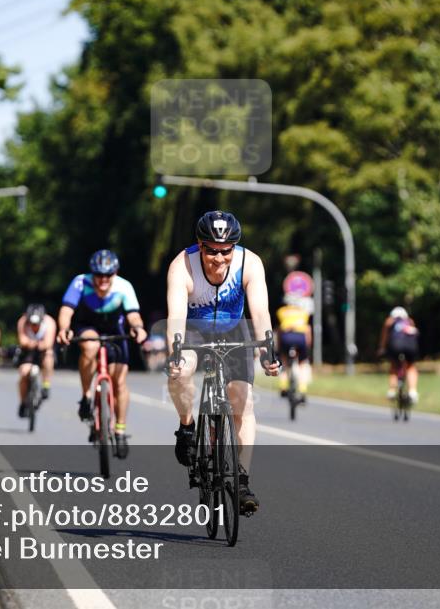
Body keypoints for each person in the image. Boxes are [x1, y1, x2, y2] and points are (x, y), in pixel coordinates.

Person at [166, 211, 281, 515]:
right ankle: (187, 428)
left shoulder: (250, 263)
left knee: (242, 402)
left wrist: (269, 350)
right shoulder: (182, 266)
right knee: (181, 373)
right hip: (193, 331)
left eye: (226, 251)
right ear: (199, 245)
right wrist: (175, 355)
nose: (219, 259)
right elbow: (176, 318)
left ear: (234, 247)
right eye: (211, 251)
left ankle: (241, 480)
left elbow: (260, 313)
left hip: (233, 330)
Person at [56, 250, 148, 458]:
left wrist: (138, 328)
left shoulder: (124, 286)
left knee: (119, 383)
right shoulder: (80, 282)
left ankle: (120, 430)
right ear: (93, 274)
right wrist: (64, 329)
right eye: (99, 275)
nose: (103, 280)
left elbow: (133, 315)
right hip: (88, 327)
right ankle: (86, 396)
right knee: (90, 346)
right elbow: (67, 310)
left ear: (115, 273)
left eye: (108, 275)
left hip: (116, 330)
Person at [16, 304, 56, 417]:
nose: (34, 326)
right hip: (28, 352)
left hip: (44, 351)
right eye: (31, 324)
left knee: (49, 356)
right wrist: (34, 344)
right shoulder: (22, 322)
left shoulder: (49, 322)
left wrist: (34, 344)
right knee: (24, 373)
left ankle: (46, 385)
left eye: (36, 324)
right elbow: (22, 341)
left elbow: (48, 343)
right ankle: (23, 402)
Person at [377, 307, 420, 404]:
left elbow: (385, 336)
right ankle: (412, 391)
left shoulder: (390, 321)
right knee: (411, 367)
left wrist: (382, 348)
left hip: (395, 346)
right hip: (411, 346)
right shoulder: (409, 321)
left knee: (394, 366)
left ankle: (392, 391)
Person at [276, 294, 313, 402]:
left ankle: (283, 387)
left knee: (284, 362)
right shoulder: (304, 312)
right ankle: (302, 390)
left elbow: (279, 330)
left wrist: (278, 348)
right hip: (300, 338)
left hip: (286, 337)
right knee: (302, 364)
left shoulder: (281, 311)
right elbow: (308, 330)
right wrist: (308, 347)